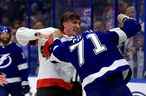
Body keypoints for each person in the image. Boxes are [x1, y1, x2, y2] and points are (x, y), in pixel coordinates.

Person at [46, 14, 141, 96]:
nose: (77, 26)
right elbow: (134, 26)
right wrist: (124, 18)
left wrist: (56, 39)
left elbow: (54, 52)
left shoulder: (69, 46)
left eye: (78, 23)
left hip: (92, 87)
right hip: (114, 79)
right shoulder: (104, 35)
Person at [16, 11, 82, 96]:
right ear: (64, 23)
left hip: (67, 89)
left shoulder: (78, 42)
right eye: (74, 22)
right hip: (46, 86)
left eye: (79, 23)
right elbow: (20, 34)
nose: (78, 26)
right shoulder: (50, 31)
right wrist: (40, 34)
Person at [0, 25, 30, 96]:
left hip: (17, 83)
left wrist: (25, 81)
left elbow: (23, 67)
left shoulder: (16, 49)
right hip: (1, 83)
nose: (5, 36)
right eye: (2, 34)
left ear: (10, 35)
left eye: (7, 34)